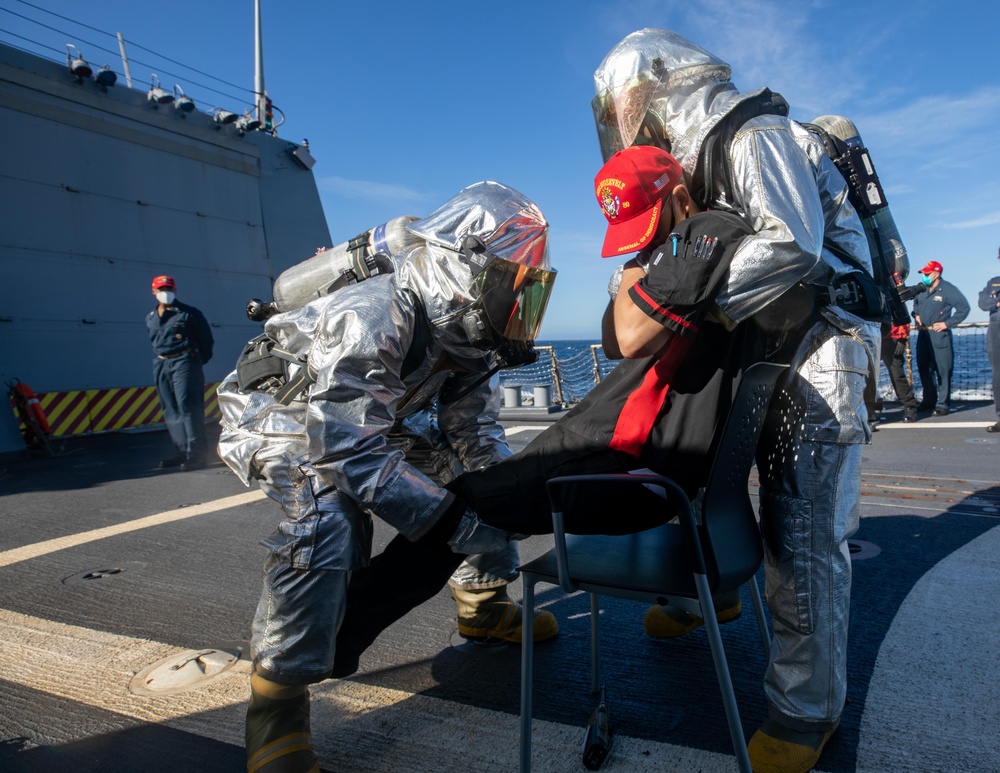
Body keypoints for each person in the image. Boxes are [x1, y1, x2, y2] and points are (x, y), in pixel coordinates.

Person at [330, 146, 768, 699]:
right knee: (479, 491)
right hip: (633, 465)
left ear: (682, 198)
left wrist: (641, 265)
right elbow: (615, 346)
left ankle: (329, 639)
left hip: (620, 466)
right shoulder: (695, 253)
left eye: (650, 232)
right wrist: (645, 263)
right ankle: (472, 605)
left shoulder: (704, 232)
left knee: (454, 507)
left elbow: (629, 336)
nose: (646, 249)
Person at [590, 29, 882, 773]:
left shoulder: (750, 134)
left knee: (801, 527)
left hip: (823, 345)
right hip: (768, 338)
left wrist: (689, 309)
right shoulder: (708, 159)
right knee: (703, 468)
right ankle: (705, 595)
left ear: (649, 98)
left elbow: (793, 245)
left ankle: (804, 709)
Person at [216, 181, 559, 773]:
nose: (515, 300)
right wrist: (451, 521)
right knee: (325, 513)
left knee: (473, 475)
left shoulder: (468, 333)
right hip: (281, 415)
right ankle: (277, 701)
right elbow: (342, 448)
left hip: (356, 418)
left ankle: (481, 602)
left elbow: (473, 435)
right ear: (466, 264)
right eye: (508, 280)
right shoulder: (376, 310)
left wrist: (495, 503)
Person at [146, 275, 214, 471]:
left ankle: (197, 454)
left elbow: (206, 342)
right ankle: (182, 451)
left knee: (188, 407)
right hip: (161, 364)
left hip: (185, 361)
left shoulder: (188, 314)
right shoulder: (150, 317)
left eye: (169, 289)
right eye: (161, 290)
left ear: (175, 291)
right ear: (154, 291)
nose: (165, 293)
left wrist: (196, 361)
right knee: (171, 409)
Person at [912, 260, 970, 415]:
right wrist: (916, 316)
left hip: (939, 335)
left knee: (943, 370)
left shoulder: (948, 290)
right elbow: (916, 304)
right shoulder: (922, 289)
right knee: (924, 368)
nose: (924, 276)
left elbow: (964, 308)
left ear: (936, 273)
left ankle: (942, 404)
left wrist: (947, 324)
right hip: (923, 334)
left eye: (927, 273)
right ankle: (928, 401)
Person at [978, 247, 1000, 432]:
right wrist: (996, 302)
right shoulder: (994, 283)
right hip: (996, 329)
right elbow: (983, 302)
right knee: (998, 375)